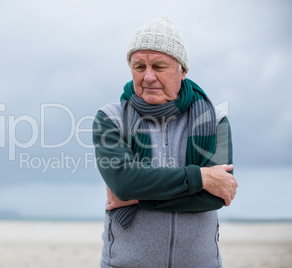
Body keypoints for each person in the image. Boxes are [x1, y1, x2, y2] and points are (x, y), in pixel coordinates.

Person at [92, 16, 238, 268]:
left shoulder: (215, 120)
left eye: (159, 67)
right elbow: (124, 183)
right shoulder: (110, 119)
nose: (148, 77)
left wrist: (141, 199)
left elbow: (216, 196)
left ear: (182, 70)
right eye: (139, 67)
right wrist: (200, 178)